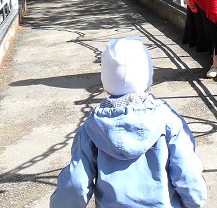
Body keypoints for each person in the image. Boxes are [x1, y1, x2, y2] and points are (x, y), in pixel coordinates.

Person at [50, 37, 207, 208]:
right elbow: (187, 171)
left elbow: (76, 182)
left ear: (106, 81)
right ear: (148, 76)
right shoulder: (168, 121)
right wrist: (194, 201)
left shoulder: (92, 127)